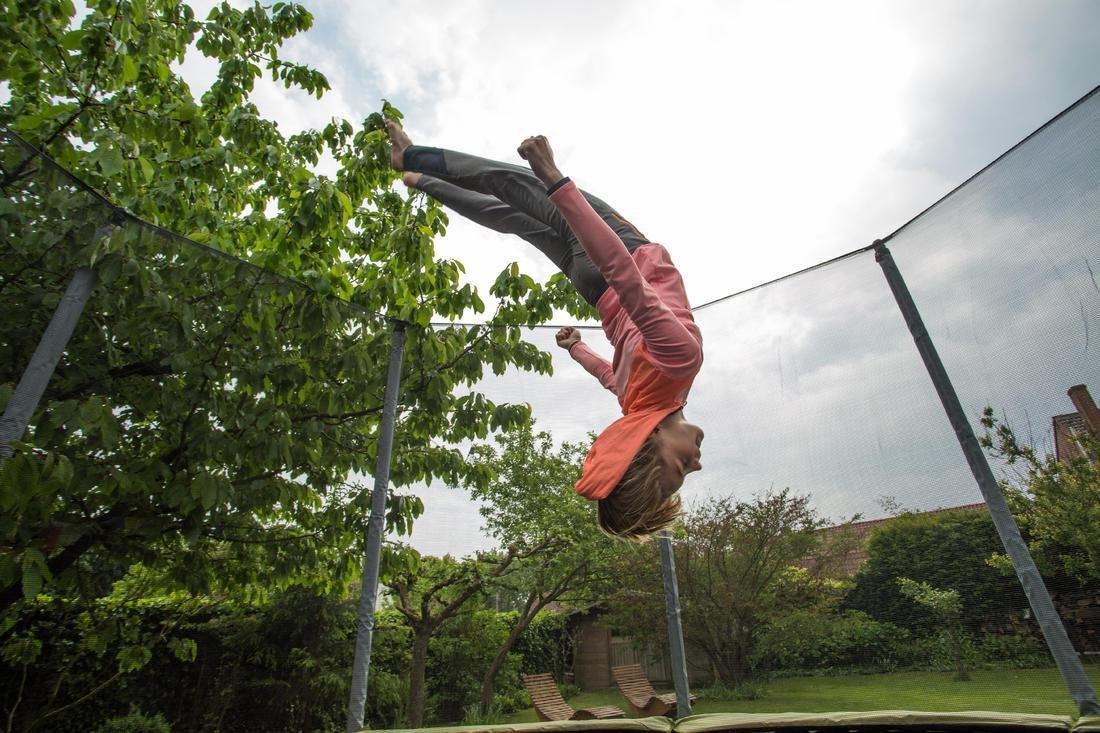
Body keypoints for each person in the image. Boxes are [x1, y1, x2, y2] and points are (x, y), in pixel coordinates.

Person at [386, 120, 704, 540]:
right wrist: (576, 349)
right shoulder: (637, 403)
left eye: (680, 465)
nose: (696, 462)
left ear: (649, 439)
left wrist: (556, 182)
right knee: (510, 217)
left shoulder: (680, 364)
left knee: (517, 186)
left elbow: (628, 278)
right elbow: (610, 378)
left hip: (617, 255)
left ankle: (409, 156)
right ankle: (420, 179)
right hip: (590, 285)